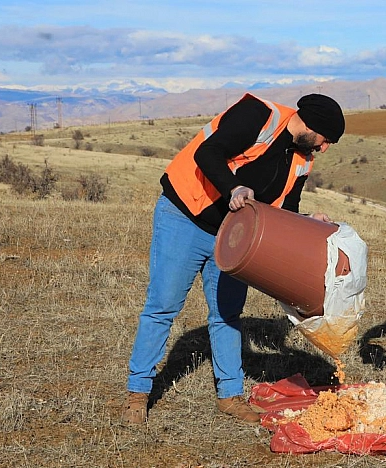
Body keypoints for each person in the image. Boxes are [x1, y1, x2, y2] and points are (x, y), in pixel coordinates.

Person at [121, 93, 346, 425]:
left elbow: (286, 211)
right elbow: (207, 152)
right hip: (185, 216)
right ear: (312, 124)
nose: (324, 148)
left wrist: (311, 221)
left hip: (234, 237)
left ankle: (230, 396)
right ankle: (137, 394)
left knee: (227, 314)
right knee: (163, 306)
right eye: (326, 140)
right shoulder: (258, 114)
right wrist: (233, 189)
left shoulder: (302, 159)